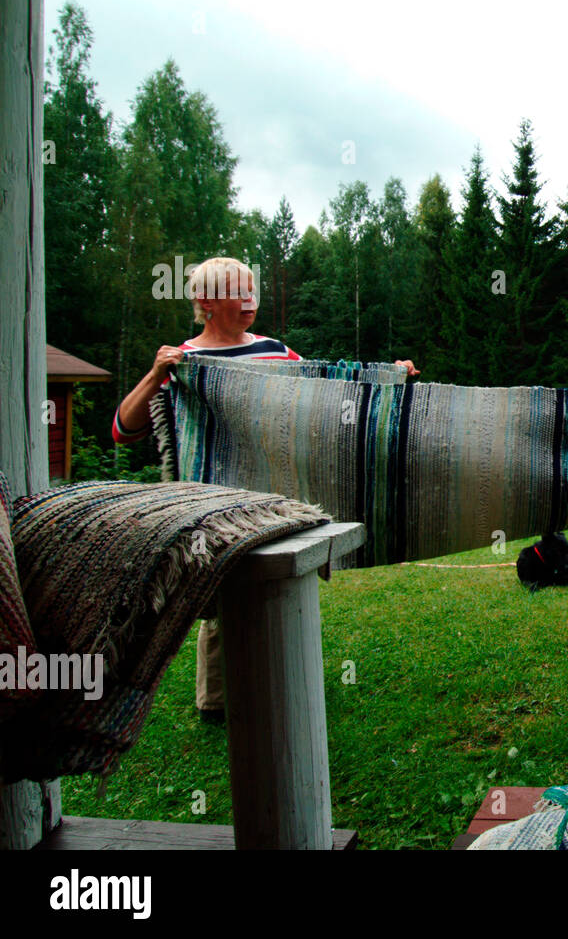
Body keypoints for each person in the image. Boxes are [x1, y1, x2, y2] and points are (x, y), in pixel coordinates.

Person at [113, 256, 419, 724]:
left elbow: (323, 391)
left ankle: (288, 680)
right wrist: (157, 374)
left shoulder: (276, 352)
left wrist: (388, 376)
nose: (250, 298)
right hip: (216, 508)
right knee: (224, 599)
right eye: (238, 289)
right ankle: (218, 701)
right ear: (207, 301)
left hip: (277, 500)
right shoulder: (183, 361)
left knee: (286, 585)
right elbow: (123, 428)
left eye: (252, 287)